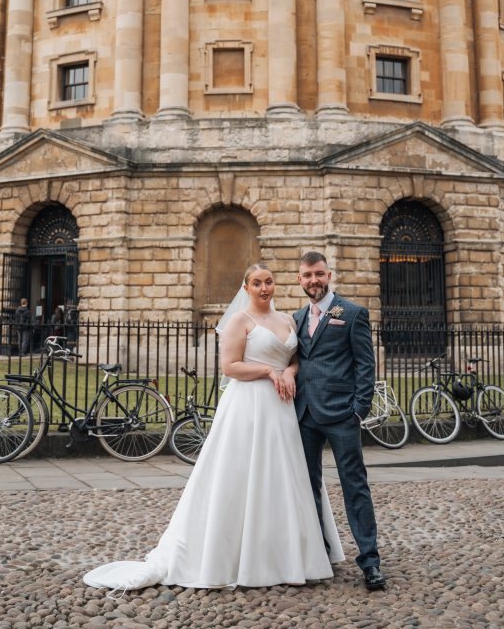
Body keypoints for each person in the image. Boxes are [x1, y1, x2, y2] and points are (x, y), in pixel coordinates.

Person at [83, 264, 344, 591]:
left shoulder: (287, 320)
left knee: (285, 475)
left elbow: (294, 359)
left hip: (282, 408)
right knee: (241, 474)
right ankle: (239, 556)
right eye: (257, 283)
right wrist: (268, 372)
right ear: (246, 287)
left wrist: (288, 373)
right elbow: (230, 366)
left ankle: (290, 554)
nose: (264, 288)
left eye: (269, 282)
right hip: (250, 404)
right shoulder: (239, 321)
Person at [294, 251, 386, 591]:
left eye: (318, 274)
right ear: (300, 280)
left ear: (328, 275)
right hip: (304, 416)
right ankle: (320, 555)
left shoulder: (351, 313)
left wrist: (359, 408)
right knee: (308, 488)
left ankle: (370, 561)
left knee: (355, 486)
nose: (313, 280)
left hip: (342, 415)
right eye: (307, 275)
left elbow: (366, 364)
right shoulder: (296, 317)